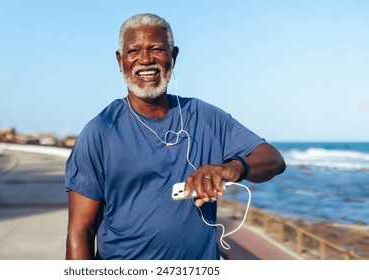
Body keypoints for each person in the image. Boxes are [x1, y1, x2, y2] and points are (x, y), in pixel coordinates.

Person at [65, 13, 285, 260]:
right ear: (120, 60)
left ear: (174, 56)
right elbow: (80, 231)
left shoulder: (205, 117)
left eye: (156, 49)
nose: (146, 60)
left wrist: (231, 168)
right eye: (133, 51)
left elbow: (274, 159)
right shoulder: (100, 131)